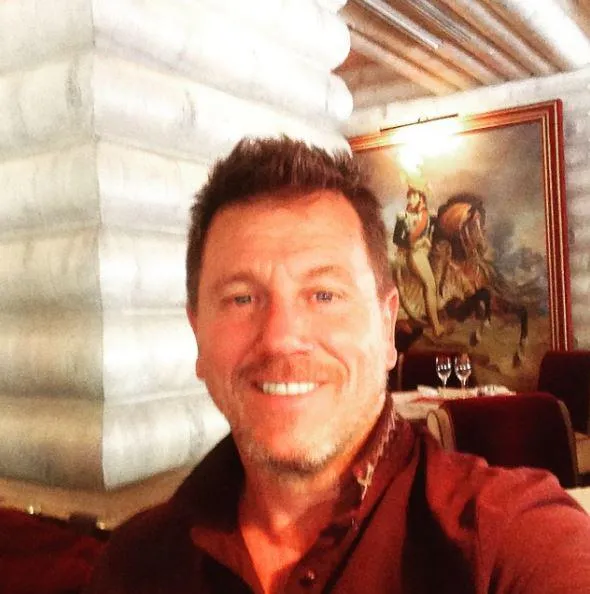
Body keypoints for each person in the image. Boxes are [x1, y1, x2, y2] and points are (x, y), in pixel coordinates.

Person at [86, 137, 590, 594]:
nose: (281, 337)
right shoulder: (135, 564)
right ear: (198, 334)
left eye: (324, 294)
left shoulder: (507, 538)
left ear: (387, 326)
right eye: (241, 298)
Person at [393, 186, 445, 337]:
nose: (410, 199)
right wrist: (415, 243)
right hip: (415, 255)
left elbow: (436, 233)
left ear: (421, 198)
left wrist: (429, 241)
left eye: (414, 196)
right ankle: (436, 326)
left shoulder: (428, 216)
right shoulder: (403, 216)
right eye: (409, 197)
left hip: (427, 253)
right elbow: (397, 238)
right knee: (430, 285)